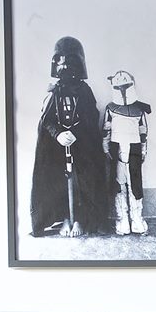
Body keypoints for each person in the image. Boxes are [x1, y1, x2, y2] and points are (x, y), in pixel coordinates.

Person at [30, 37, 110, 237]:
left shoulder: (85, 90)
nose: (65, 67)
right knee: (56, 178)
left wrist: (76, 133)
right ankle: (65, 218)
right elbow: (47, 120)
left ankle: (80, 219)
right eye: (61, 61)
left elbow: (91, 116)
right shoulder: (53, 91)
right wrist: (58, 135)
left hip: (82, 143)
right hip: (58, 145)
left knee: (85, 179)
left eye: (70, 62)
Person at [103, 70, 153, 235]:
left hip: (134, 150)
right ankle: (123, 219)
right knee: (119, 185)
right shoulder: (110, 108)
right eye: (119, 87)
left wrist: (143, 150)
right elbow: (106, 130)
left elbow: (143, 132)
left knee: (134, 185)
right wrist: (106, 147)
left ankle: (136, 219)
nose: (122, 91)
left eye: (125, 86)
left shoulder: (140, 109)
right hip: (117, 150)